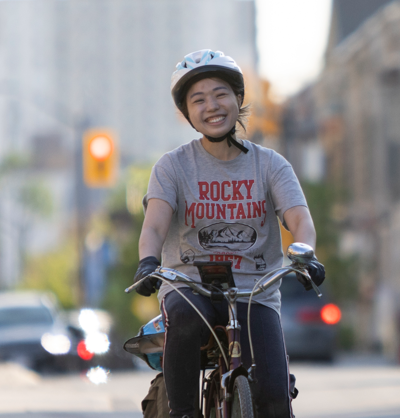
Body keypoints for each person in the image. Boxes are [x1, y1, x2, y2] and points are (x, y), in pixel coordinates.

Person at [132, 49, 327, 418]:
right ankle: (183, 412)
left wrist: (306, 254)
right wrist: (148, 262)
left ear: (238, 99)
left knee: (275, 398)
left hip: (255, 289)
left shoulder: (270, 164)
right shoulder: (172, 166)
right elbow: (155, 224)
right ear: (187, 112)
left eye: (221, 94)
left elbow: (300, 220)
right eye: (198, 99)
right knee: (186, 319)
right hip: (190, 284)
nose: (212, 106)